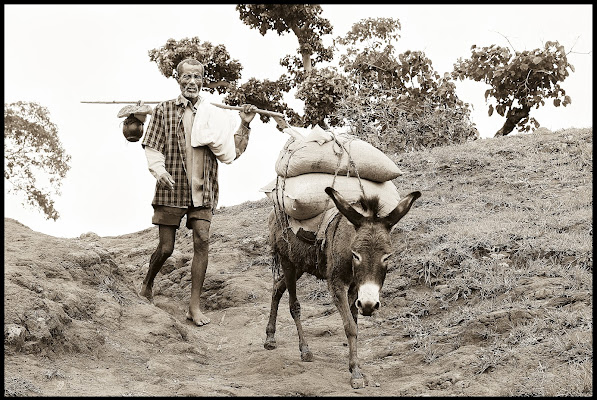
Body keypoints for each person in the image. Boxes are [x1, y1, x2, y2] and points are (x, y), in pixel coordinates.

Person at [140, 58, 258, 326]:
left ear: (203, 81)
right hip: (171, 189)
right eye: (187, 77)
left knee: (202, 242)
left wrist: (245, 124)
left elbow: (232, 151)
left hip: (203, 192)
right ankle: (147, 283)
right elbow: (153, 147)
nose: (192, 82)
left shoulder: (214, 114)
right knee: (166, 248)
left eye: (197, 78)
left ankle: (194, 307)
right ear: (177, 79)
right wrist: (159, 171)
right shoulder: (164, 111)